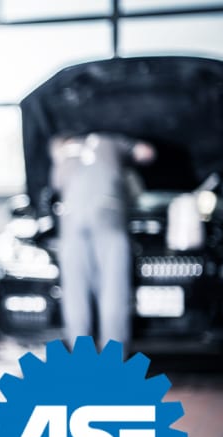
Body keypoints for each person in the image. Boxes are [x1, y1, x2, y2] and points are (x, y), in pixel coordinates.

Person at [49, 132, 155, 352]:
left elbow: (56, 185)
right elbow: (146, 153)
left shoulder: (63, 150)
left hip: (71, 218)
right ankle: (113, 355)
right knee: (113, 288)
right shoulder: (112, 140)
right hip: (108, 212)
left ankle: (80, 355)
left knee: (75, 292)